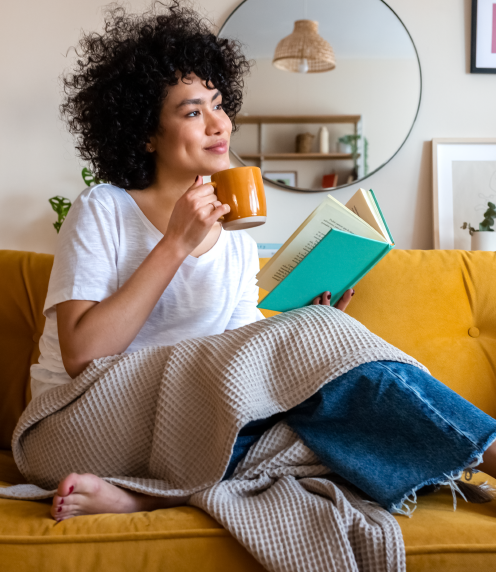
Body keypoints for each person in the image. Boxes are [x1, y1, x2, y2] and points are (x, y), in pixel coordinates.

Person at [30, 1, 496, 523]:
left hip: (181, 432)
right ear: (145, 133)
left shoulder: (234, 240)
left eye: (218, 103)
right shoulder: (104, 210)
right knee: (324, 384)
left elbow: (242, 372)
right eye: (191, 111)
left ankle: (148, 495)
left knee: (329, 418)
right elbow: (82, 355)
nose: (217, 124)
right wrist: (175, 246)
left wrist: (323, 334)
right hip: (78, 425)